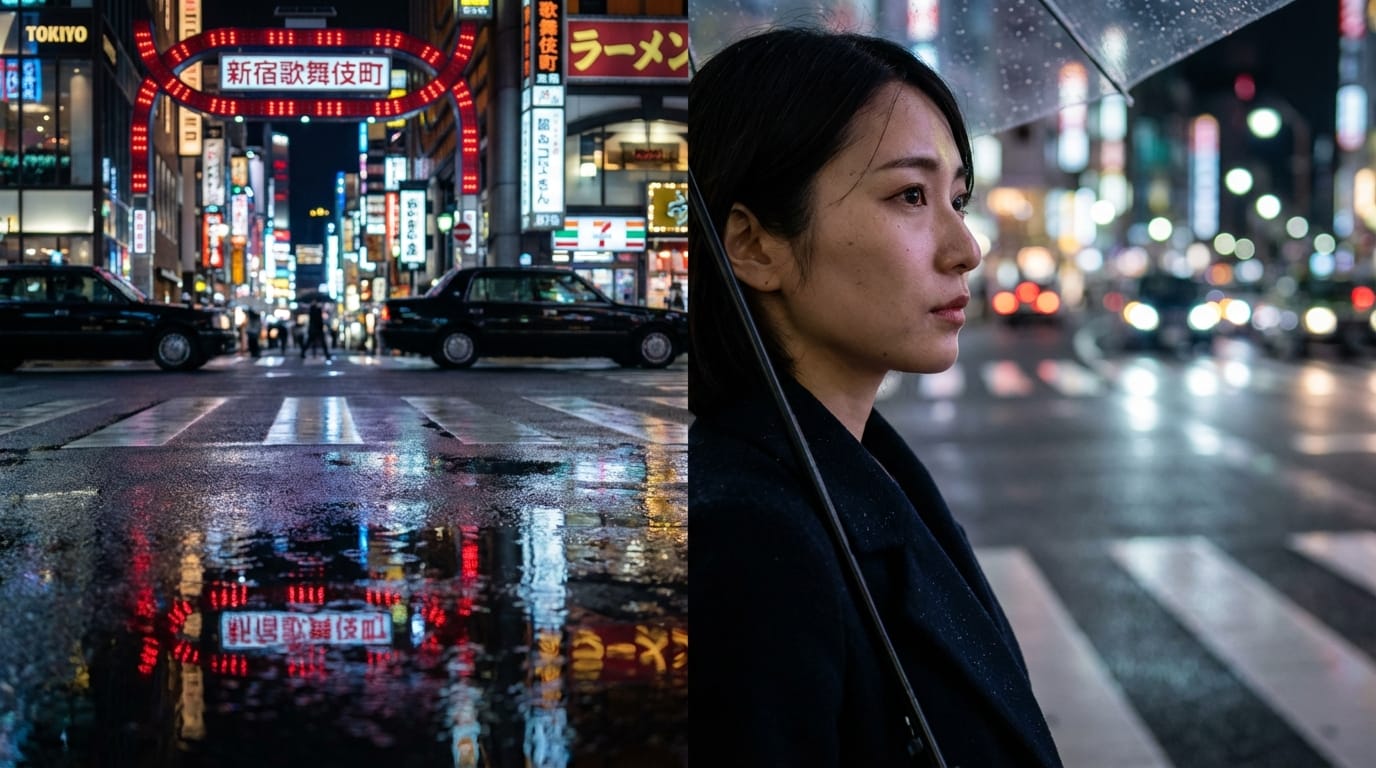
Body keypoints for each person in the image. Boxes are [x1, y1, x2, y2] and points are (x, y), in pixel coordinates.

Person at [689, 28, 1063, 766]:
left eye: (958, 197)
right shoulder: (747, 539)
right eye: (910, 195)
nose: (966, 247)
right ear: (754, 244)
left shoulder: (859, 465)